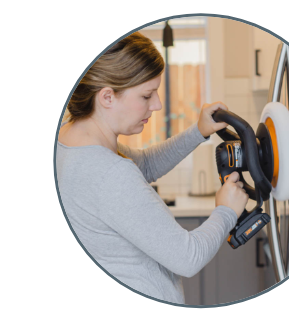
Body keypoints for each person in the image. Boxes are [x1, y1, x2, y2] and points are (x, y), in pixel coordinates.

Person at [56, 31, 249, 304]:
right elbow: (188, 257)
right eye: (147, 96)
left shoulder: (72, 139)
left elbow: (144, 164)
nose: (157, 105)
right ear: (107, 97)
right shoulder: (110, 173)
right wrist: (226, 211)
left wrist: (198, 131)